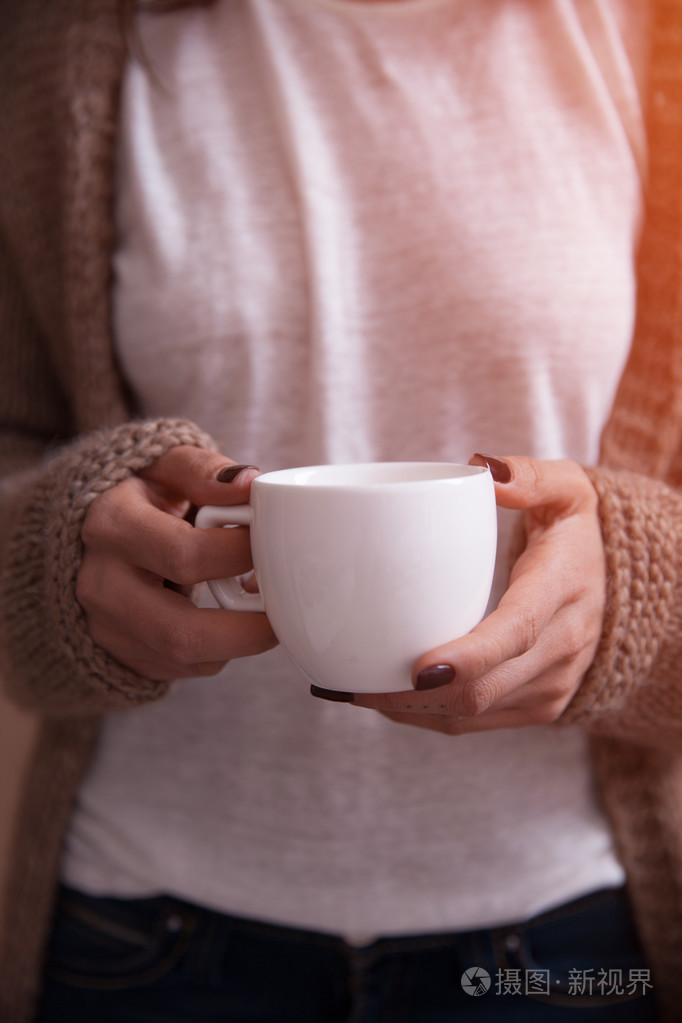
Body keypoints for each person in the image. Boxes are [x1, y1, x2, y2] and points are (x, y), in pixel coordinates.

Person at [1, 0, 681, 1021]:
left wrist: (638, 597)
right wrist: (55, 558)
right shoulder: (59, 36)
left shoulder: (653, 34)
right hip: (142, 935)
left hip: (562, 943)